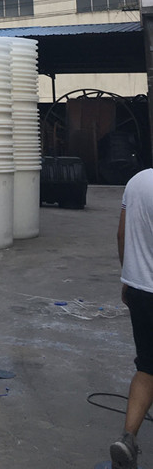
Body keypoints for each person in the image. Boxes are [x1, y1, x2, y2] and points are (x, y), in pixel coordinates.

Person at [111, 167, 153, 469]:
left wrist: (129, 276)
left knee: (147, 367)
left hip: (140, 289)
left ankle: (127, 439)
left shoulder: (137, 181)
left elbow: (121, 234)